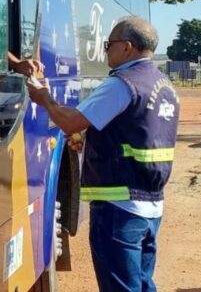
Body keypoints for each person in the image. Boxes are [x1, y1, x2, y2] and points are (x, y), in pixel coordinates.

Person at [23, 16, 179, 292]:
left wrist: (44, 97)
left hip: (120, 206)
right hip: (151, 206)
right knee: (142, 285)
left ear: (127, 47)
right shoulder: (163, 84)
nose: (106, 49)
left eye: (109, 44)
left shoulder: (123, 83)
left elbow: (70, 121)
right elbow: (138, 132)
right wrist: (94, 139)